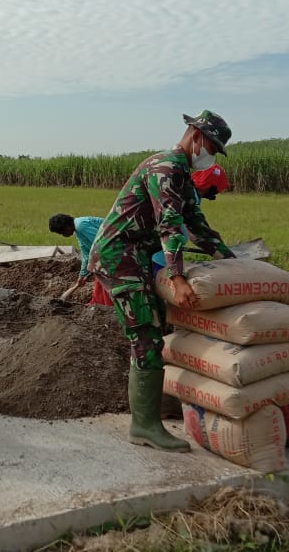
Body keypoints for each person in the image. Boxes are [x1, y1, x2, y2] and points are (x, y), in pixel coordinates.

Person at [88, 110, 235, 453]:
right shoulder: (166, 169)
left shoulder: (182, 174)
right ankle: (144, 425)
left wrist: (231, 260)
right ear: (196, 136)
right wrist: (178, 276)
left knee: (153, 330)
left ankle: (154, 410)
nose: (210, 154)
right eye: (211, 146)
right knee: (146, 334)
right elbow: (169, 225)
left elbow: (196, 224)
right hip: (118, 259)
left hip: (134, 258)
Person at [48, 213, 111, 305]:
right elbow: (86, 253)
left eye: (62, 232)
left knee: (103, 275)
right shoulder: (78, 230)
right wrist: (82, 275)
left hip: (116, 247)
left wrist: (94, 264)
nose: (63, 235)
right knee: (99, 276)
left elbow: (101, 244)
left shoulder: (81, 226)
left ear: (67, 227)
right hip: (108, 251)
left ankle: (107, 305)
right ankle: (99, 303)